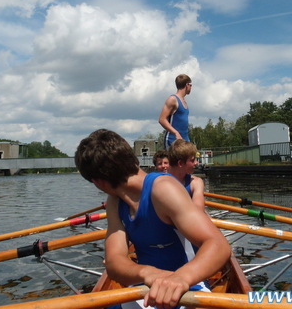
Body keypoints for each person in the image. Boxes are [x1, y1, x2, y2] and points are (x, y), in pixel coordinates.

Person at [75, 129, 230, 309]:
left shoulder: (163, 189)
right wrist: (148, 273)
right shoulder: (114, 203)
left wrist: (180, 278)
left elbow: (218, 245)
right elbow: (114, 262)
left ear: (98, 182)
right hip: (146, 287)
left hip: (189, 285)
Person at [167, 140, 205, 211]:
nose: (196, 163)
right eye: (192, 160)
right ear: (180, 163)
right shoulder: (159, 184)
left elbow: (198, 212)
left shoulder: (196, 182)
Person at [159, 74, 192, 149]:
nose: (191, 87)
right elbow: (162, 119)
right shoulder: (173, 99)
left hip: (184, 140)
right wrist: (176, 133)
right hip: (173, 140)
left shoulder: (184, 101)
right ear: (187, 85)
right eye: (191, 85)